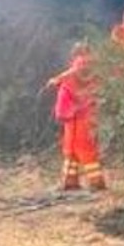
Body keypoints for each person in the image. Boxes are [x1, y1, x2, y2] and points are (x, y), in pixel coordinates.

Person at [44, 43, 105, 192]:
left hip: (79, 116)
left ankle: (96, 182)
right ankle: (70, 182)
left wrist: (55, 81)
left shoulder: (82, 64)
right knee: (71, 149)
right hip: (82, 115)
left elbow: (72, 75)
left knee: (83, 148)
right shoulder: (94, 67)